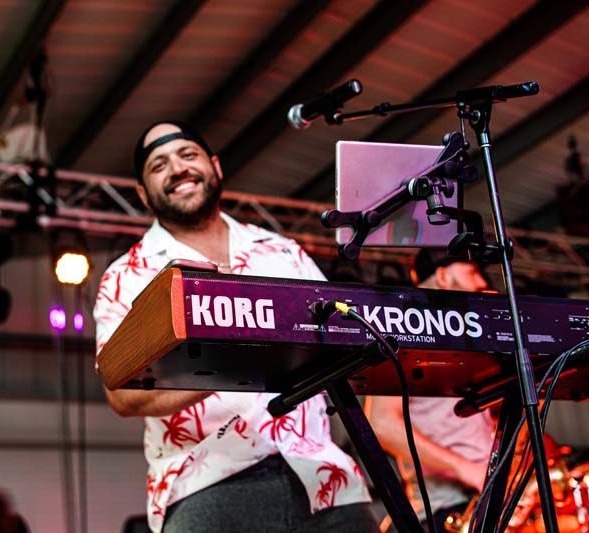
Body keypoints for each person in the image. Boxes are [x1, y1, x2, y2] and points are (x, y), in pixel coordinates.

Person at [93, 121, 377, 533]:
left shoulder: (281, 252)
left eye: (188, 155)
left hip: (323, 477)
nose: (177, 168)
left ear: (215, 166)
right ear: (142, 194)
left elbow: (335, 341)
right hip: (207, 484)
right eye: (159, 165)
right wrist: (245, 362)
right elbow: (120, 393)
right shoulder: (127, 276)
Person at [365, 250, 496, 532]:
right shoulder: (401, 331)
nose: (481, 281)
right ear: (443, 276)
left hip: (485, 497)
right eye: (472, 271)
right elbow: (381, 424)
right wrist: (465, 468)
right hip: (447, 510)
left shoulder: (462, 337)